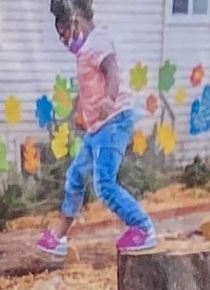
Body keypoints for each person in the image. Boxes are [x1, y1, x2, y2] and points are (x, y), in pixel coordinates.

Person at [37, 0, 154, 258]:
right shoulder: (85, 51)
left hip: (113, 122)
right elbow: (94, 83)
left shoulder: (97, 43)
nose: (63, 41)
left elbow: (111, 69)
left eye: (64, 34)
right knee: (75, 177)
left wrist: (109, 99)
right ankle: (59, 237)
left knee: (104, 184)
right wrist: (83, 105)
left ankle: (143, 227)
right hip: (97, 129)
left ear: (75, 23)